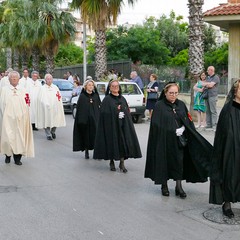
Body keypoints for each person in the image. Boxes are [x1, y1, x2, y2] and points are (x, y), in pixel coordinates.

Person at [144, 82, 212, 198]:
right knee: (165, 162)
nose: (173, 95)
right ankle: (164, 186)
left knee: (179, 162)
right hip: (164, 141)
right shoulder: (159, 106)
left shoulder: (180, 104)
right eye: (171, 93)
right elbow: (156, 125)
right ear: (165, 93)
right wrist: (171, 130)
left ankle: (178, 186)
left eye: (176, 93)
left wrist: (184, 128)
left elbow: (187, 120)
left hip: (179, 141)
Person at [93, 79, 142, 173]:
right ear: (110, 88)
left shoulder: (122, 98)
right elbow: (104, 114)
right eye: (113, 86)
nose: (115, 88)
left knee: (123, 143)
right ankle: (112, 162)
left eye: (117, 86)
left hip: (123, 126)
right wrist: (116, 115)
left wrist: (124, 115)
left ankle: (122, 163)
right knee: (112, 143)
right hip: (111, 127)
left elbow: (126, 111)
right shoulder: (107, 100)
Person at [209, 79, 240, 219]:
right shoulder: (228, 109)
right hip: (231, 150)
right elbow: (224, 133)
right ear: (235, 91)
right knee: (230, 174)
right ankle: (226, 204)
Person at [0, 71, 34, 165]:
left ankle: (17, 158)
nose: (14, 79)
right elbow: (2, 104)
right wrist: (5, 115)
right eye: (12, 77)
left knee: (19, 138)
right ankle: (8, 155)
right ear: (9, 79)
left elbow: (27, 103)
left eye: (15, 77)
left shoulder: (23, 90)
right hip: (8, 119)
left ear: (19, 79)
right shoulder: (4, 90)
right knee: (8, 138)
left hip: (21, 119)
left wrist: (25, 115)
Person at [73, 79, 101, 159]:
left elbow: (99, 107)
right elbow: (80, 109)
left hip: (95, 120)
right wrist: (82, 120)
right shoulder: (82, 96)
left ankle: (97, 152)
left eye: (92, 85)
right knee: (86, 136)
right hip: (85, 121)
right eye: (89, 85)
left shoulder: (96, 96)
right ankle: (86, 150)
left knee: (96, 135)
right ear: (85, 87)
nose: (91, 87)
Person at [35, 73, 66, 140]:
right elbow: (40, 98)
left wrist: (57, 104)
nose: (49, 80)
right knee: (47, 120)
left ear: (52, 80)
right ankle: (48, 134)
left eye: (50, 79)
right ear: (45, 80)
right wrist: (45, 104)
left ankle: (53, 131)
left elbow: (59, 97)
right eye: (48, 79)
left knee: (55, 120)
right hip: (46, 108)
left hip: (55, 108)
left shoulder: (55, 87)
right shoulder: (42, 88)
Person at [205, 66, 220, 130]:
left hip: (213, 96)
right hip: (207, 96)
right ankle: (209, 124)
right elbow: (204, 84)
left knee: (213, 111)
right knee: (207, 111)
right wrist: (207, 84)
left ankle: (214, 125)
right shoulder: (208, 77)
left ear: (211, 70)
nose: (207, 71)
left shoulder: (216, 77)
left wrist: (207, 84)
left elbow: (210, 85)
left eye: (208, 70)